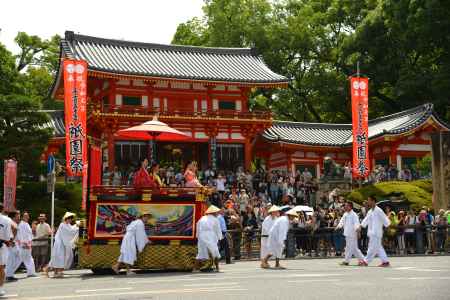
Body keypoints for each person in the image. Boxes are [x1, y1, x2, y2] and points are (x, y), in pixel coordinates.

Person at [45, 212, 79, 278]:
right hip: (59, 244)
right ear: (66, 219)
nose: (70, 220)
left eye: (71, 219)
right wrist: (77, 226)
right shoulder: (62, 225)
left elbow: (71, 229)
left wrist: (77, 226)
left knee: (59, 258)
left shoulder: (68, 225)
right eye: (69, 218)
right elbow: (70, 231)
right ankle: (52, 271)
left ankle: (56, 272)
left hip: (63, 244)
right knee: (58, 258)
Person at [359, 195, 391, 267]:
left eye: (369, 200)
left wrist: (387, 225)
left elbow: (385, 219)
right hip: (371, 232)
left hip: (377, 233)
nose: (368, 202)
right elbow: (366, 220)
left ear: (373, 201)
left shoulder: (379, 210)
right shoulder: (370, 211)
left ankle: (366, 261)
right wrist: (361, 226)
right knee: (378, 248)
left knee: (372, 248)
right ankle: (385, 262)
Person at [193, 205, 223, 272]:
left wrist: (197, 236)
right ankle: (217, 268)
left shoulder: (202, 218)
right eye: (216, 212)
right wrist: (220, 237)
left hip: (202, 236)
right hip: (210, 236)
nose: (217, 213)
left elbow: (197, 227)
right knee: (215, 252)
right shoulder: (215, 219)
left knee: (201, 253)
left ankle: (195, 269)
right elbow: (217, 229)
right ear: (213, 213)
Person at [10, 212, 36, 277]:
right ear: (22, 217)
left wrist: (29, 243)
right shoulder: (19, 224)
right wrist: (23, 243)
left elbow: (29, 235)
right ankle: (9, 273)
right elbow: (19, 236)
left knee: (29, 259)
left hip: (27, 244)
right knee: (18, 260)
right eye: (25, 216)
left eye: (27, 216)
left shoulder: (26, 224)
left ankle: (31, 272)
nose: (26, 217)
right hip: (21, 245)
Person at [0, 204, 13, 296]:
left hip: (2, 244)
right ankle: (0, 288)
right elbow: (8, 236)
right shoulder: (7, 220)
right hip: (2, 244)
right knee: (1, 267)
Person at [5, 211, 20, 282]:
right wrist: (11, 240)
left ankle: (9, 273)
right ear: (14, 216)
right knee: (11, 259)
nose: (19, 217)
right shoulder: (11, 222)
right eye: (18, 215)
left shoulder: (11, 222)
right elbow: (14, 229)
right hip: (11, 242)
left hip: (13, 242)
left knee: (17, 258)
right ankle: (9, 275)